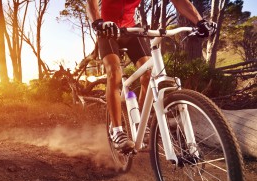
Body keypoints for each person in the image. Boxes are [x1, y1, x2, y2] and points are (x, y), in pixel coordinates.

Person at [86, 0, 217, 152]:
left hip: (131, 29)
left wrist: (200, 21)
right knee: (114, 73)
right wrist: (98, 22)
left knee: (149, 73)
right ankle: (116, 130)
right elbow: (91, 3)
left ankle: (141, 123)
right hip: (107, 29)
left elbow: (180, 1)